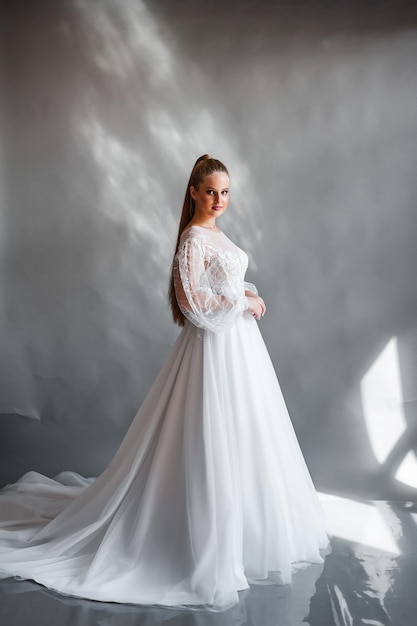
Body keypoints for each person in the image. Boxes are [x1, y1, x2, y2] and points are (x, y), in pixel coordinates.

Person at [0, 155, 328, 611]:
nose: (219, 200)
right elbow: (191, 303)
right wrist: (241, 304)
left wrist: (248, 294)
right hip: (214, 353)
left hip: (239, 352)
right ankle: (195, 539)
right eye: (211, 191)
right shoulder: (192, 238)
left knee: (245, 437)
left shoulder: (212, 234)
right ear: (193, 191)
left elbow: (224, 282)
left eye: (226, 192)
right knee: (210, 438)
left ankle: (244, 536)